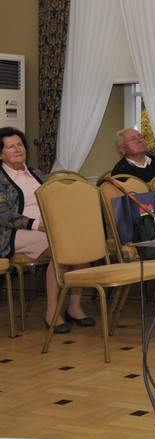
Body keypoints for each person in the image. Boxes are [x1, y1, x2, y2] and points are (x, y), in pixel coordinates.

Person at [0, 127, 94, 334]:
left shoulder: (35, 172)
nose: (18, 149)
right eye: (10, 147)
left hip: (48, 228)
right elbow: (3, 215)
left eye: (20, 144)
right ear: (1, 154)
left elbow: (55, 200)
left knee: (83, 247)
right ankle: (52, 312)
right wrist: (38, 225)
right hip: (15, 233)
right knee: (61, 251)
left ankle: (74, 307)